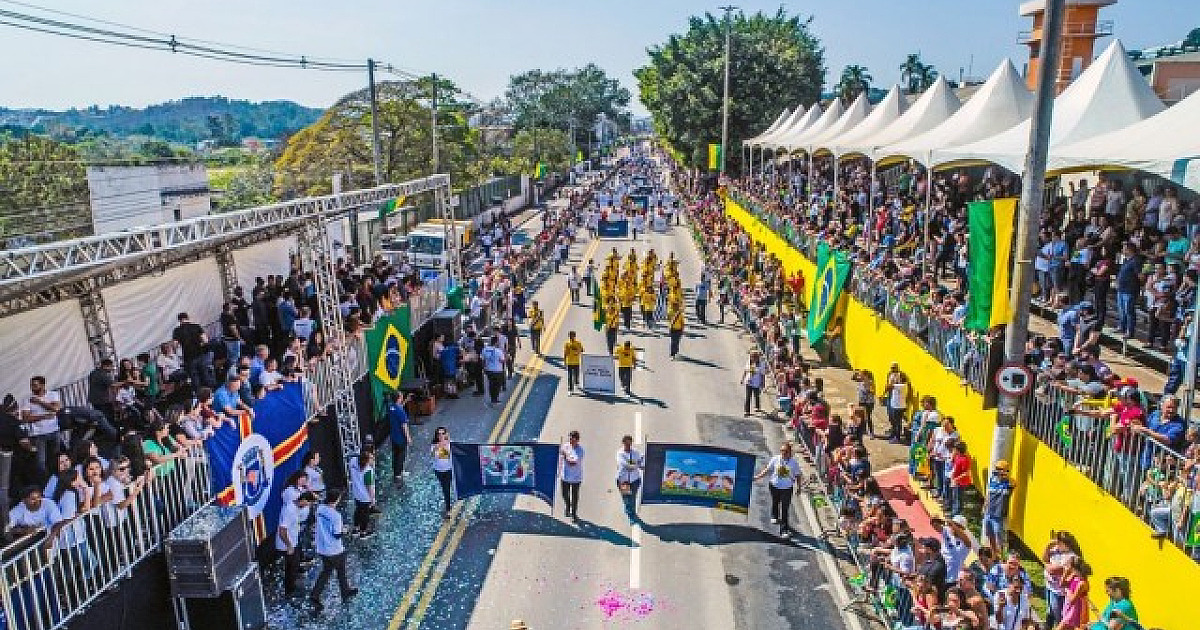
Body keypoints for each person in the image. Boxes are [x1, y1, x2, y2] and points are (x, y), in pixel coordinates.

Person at [310, 489, 358, 612]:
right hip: (334, 549)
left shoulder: (320, 509)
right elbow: (336, 534)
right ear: (336, 500)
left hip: (322, 547)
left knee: (326, 571)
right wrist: (345, 530)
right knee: (340, 570)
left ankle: (316, 594)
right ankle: (344, 591)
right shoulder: (336, 516)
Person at [754, 441, 801, 537]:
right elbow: (767, 470)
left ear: (789, 452)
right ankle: (774, 515)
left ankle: (784, 530)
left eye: (785, 451)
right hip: (774, 486)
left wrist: (799, 487)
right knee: (775, 501)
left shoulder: (793, 463)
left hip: (787, 489)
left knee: (785, 509)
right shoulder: (775, 459)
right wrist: (757, 477)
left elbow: (798, 475)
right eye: (782, 451)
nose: (783, 453)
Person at [20, 376, 62, 474]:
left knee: (56, 457)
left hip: (54, 430)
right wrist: (44, 416)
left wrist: (39, 402)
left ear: (43, 385)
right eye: (31, 385)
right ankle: (44, 480)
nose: (32, 388)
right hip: (38, 434)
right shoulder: (27, 400)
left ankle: (57, 475)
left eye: (35, 385)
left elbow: (56, 409)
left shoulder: (53, 395)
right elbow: (25, 418)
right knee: (41, 461)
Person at [277, 490, 316, 596]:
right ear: (303, 500)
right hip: (288, 544)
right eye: (308, 503)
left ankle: (292, 587)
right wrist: (289, 545)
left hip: (294, 541)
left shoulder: (295, 507)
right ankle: (289, 591)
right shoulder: (289, 510)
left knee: (294, 565)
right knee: (291, 568)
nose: (308, 506)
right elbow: (282, 530)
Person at [982, 459, 1015, 556]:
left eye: (1000, 469)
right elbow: (989, 494)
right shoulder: (992, 479)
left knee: (999, 536)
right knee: (990, 534)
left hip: (999, 515)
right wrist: (984, 505)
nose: (997, 470)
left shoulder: (1009, 483)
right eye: (997, 468)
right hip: (989, 512)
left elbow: (1014, 483)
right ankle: (994, 552)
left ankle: (1002, 555)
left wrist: (1005, 476)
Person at [347, 448, 376, 540]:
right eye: (371, 458)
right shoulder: (368, 471)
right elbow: (369, 486)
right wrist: (372, 499)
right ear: (366, 460)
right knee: (365, 515)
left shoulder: (353, 461)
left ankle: (355, 529)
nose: (373, 459)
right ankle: (363, 532)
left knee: (358, 511)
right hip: (365, 497)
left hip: (356, 493)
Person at [387, 392, 413, 485]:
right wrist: (408, 437)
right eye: (402, 396)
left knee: (395, 455)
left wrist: (406, 401)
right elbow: (404, 425)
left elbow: (399, 407)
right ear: (399, 398)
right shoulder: (401, 411)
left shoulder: (391, 407)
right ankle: (399, 474)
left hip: (394, 437)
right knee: (401, 456)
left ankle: (396, 472)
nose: (402, 397)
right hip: (401, 438)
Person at [615, 435, 644, 517]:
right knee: (626, 498)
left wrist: (641, 463)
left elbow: (642, 463)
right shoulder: (620, 453)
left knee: (633, 497)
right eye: (626, 443)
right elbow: (627, 465)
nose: (628, 445)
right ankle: (629, 513)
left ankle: (632, 512)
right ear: (623, 443)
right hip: (624, 481)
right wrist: (637, 464)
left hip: (635, 480)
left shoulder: (636, 452)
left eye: (629, 443)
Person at [559, 430, 584, 519]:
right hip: (565, 476)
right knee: (564, 494)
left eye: (573, 440)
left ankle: (574, 513)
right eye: (570, 439)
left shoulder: (580, 450)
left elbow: (573, 463)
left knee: (574, 496)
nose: (571, 441)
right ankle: (568, 505)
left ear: (577, 440)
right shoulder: (565, 446)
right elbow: (560, 455)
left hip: (576, 478)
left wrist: (565, 456)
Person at [430, 427, 454, 517]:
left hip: (448, 469)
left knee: (446, 488)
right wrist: (437, 447)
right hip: (438, 471)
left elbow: (453, 454)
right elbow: (432, 455)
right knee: (444, 488)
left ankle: (448, 509)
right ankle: (447, 503)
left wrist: (446, 443)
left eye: (443, 433)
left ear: (446, 434)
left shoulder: (450, 443)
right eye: (439, 434)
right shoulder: (434, 445)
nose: (441, 435)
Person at [481, 335, 506, 407]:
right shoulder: (499, 351)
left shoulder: (485, 349)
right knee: (497, 385)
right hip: (498, 371)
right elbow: (502, 361)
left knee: (491, 384)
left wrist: (484, 368)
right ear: (495, 343)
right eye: (498, 342)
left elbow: (482, 359)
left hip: (489, 370)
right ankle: (495, 399)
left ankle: (492, 399)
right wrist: (507, 357)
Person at [742, 349, 766, 417]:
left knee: (756, 395)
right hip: (749, 382)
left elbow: (762, 374)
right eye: (751, 356)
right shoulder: (749, 362)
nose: (752, 358)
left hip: (756, 383)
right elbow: (745, 370)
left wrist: (762, 383)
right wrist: (743, 379)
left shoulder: (761, 364)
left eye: (753, 357)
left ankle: (757, 406)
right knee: (748, 396)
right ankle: (747, 411)